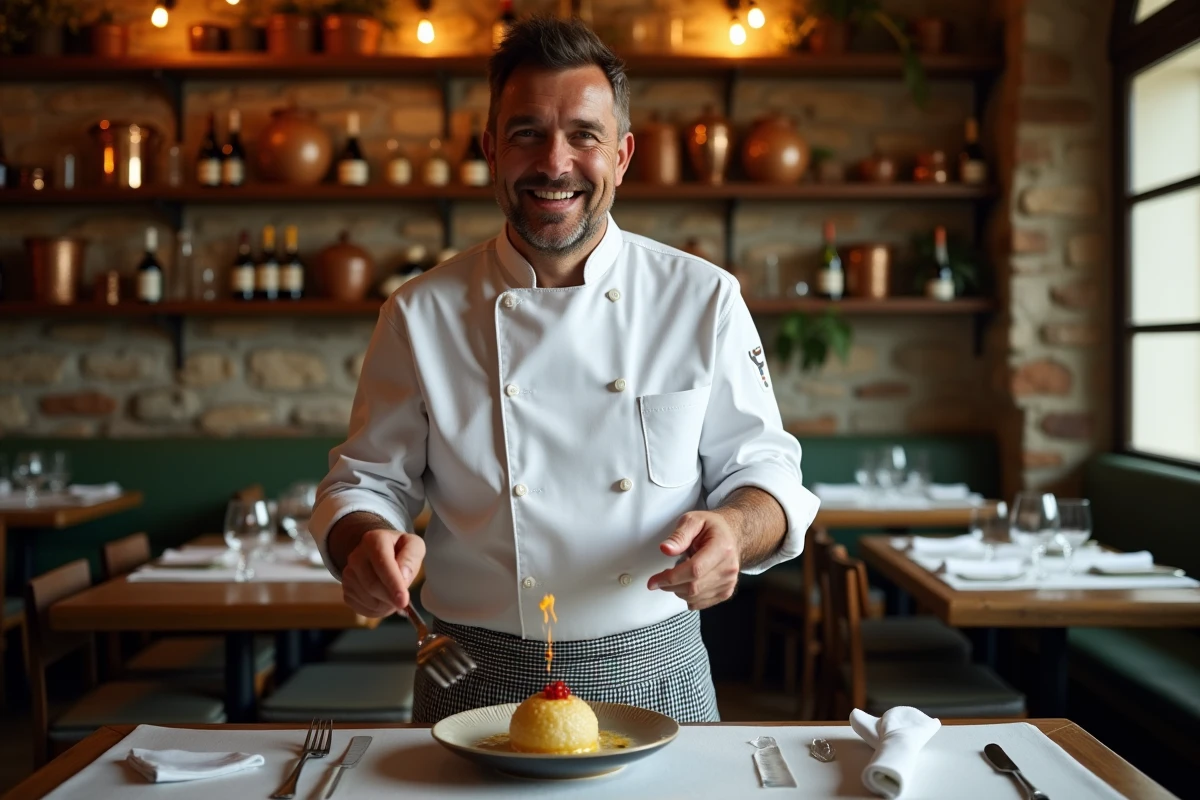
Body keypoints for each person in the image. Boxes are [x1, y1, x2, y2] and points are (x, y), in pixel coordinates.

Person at [310, 16, 819, 724]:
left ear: (623, 155)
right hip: (472, 678)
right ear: (490, 149)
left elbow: (766, 472)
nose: (555, 164)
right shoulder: (420, 312)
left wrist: (734, 530)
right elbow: (363, 483)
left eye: (584, 135)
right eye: (527, 133)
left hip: (658, 674)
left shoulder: (703, 298)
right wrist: (361, 542)